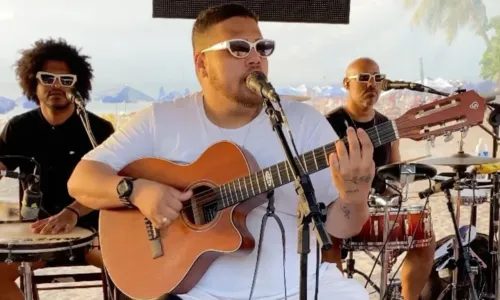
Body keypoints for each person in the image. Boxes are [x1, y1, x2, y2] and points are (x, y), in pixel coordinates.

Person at [67, 4, 373, 300]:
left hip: (301, 286)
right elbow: (81, 180)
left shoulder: (302, 122)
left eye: (262, 47)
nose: (255, 59)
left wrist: (354, 196)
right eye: (238, 48)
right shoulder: (162, 120)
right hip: (199, 294)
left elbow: (341, 226)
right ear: (202, 64)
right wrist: (135, 190)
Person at [0, 38, 115, 300]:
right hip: (34, 235)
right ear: (33, 82)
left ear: (78, 85)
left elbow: (114, 184)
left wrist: (73, 212)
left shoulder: (97, 129)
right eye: (48, 77)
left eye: (66, 80)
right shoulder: (18, 128)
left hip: (92, 234)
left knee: (134, 274)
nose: (56, 85)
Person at [325, 57, 436, 300]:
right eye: (363, 78)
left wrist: (421, 173)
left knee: (423, 235)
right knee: (327, 236)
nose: (372, 84)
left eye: (377, 78)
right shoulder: (328, 125)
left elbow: (396, 172)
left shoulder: (388, 126)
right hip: (342, 208)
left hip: (379, 209)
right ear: (346, 83)